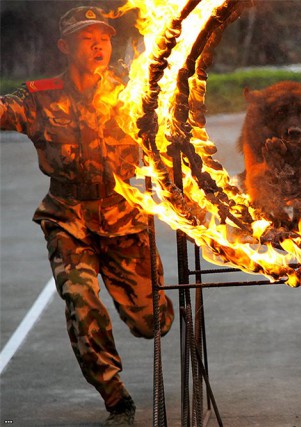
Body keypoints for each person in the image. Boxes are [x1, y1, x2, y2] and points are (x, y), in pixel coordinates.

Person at [0, 6, 174, 425]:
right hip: (68, 218)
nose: (97, 44)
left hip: (121, 216)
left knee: (152, 322)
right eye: (85, 37)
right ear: (64, 46)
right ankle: (117, 400)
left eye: (104, 37)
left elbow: (168, 132)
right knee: (81, 301)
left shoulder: (130, 92)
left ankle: (161, 309)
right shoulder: (38, 97)